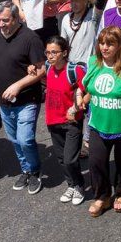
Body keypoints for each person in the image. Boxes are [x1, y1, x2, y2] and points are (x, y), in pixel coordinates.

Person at [81, 26, 121, 217]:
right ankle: (102, 196)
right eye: (102, 43)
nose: (104, 47)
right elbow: (87, 89)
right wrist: (80, 99)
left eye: (110, 44)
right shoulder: (94, 63)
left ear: (120, 45)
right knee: (96, 162)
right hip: (98, 124)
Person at [0, 1, 47, 194]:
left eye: (5, 20)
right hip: (3, 100)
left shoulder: (30, 38)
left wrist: (17, 85)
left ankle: (35, 170)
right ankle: (25, 169)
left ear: (15, 18)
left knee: (25, 140)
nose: (1, 24)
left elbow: (40, 70)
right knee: (14, 140)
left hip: (26, 100)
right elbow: (0, 60)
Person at [44, 36, 87, 205]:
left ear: (65, 53)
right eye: (47, 52)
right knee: (61, 158)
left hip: (71, 122)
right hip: (52, 120)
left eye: (54, 52)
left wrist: (76, 106)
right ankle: (71, 184)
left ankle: (80, 186)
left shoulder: (74, 71)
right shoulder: (48, 67)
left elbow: (85, 89)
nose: (50, 56)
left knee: (70, 159)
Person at [59, 0, 99, 65]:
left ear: (85, 1)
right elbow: (62, 44)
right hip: (71, 66)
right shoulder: (66, 18)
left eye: (77, 0)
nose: (73, 4)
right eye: (72, 0)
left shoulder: (93, 15)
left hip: (90, 65)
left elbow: (100, 3)